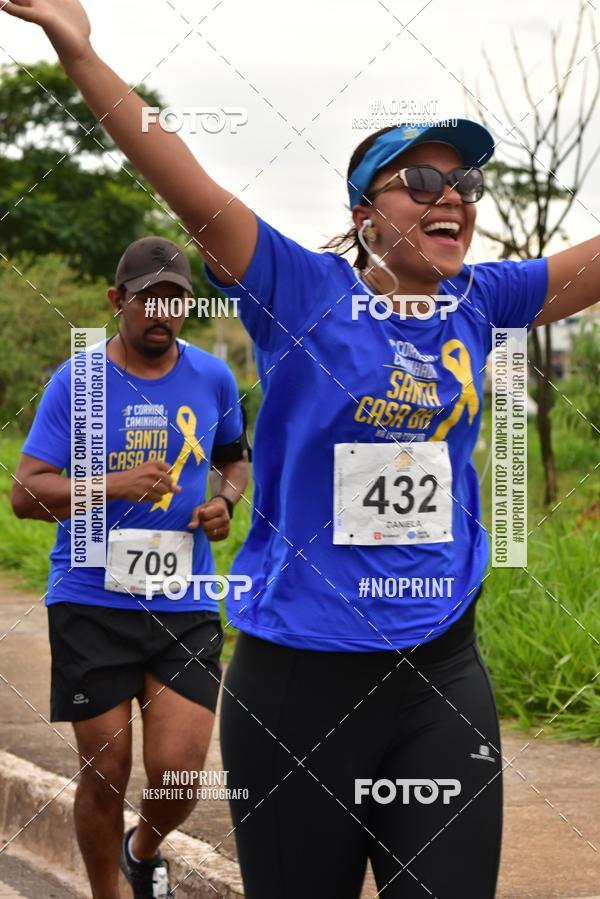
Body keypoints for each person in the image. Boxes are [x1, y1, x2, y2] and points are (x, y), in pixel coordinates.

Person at [3, 2, 599, 896]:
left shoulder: (483, 299)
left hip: (440, 667)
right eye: (421, 180)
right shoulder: (300, 288)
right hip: (299, 680)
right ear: (365, 214)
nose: (452, 196)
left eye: (466, 183)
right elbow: (181, 177)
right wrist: (81, 54)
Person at [11, 234, 249, 899]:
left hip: (183, 597)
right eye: (150, 299)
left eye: (177, 300)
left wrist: (224, 503)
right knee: (106, 770)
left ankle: (140, 850)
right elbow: (26, 493)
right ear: (118, 300)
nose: (163, 313)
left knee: (179, 775)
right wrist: (113, 484)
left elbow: (234, 458)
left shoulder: (213, 377)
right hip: (91, 595)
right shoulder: (78, 380)